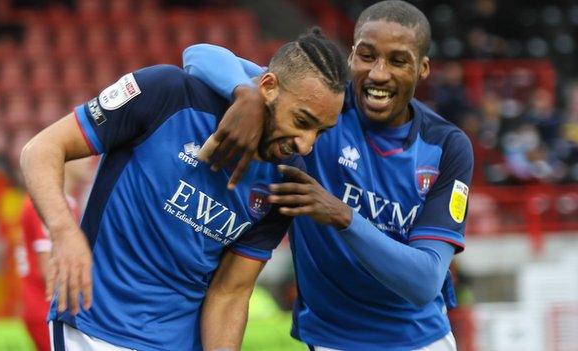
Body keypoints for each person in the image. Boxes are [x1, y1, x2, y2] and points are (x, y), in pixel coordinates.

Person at [19, 28, 347, 351]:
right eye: (302, 121)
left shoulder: (286, 180)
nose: (306, 145)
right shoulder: (167, 94)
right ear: (269, 87)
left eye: (320, 131)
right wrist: (64, 232)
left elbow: (230, 293)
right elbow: (42, 149)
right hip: (95, 326)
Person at [182, 1, 474, 350]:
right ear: (351, 57)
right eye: (367, 56)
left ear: (423, 68)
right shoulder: (319, 113)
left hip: (421, 341)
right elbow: (198, 55)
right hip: (330, 340)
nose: (379, 74)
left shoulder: (447, 147)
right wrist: (245, 95)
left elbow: (424, 282)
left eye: (397, 61)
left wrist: (343, 216)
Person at [16, 158, 92, 351]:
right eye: (84, 155)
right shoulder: (48, 203)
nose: (91, 161)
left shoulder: (67, 202)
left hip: (49, 306)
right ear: (68, 157)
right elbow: (48, 269)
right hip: (44, 306)